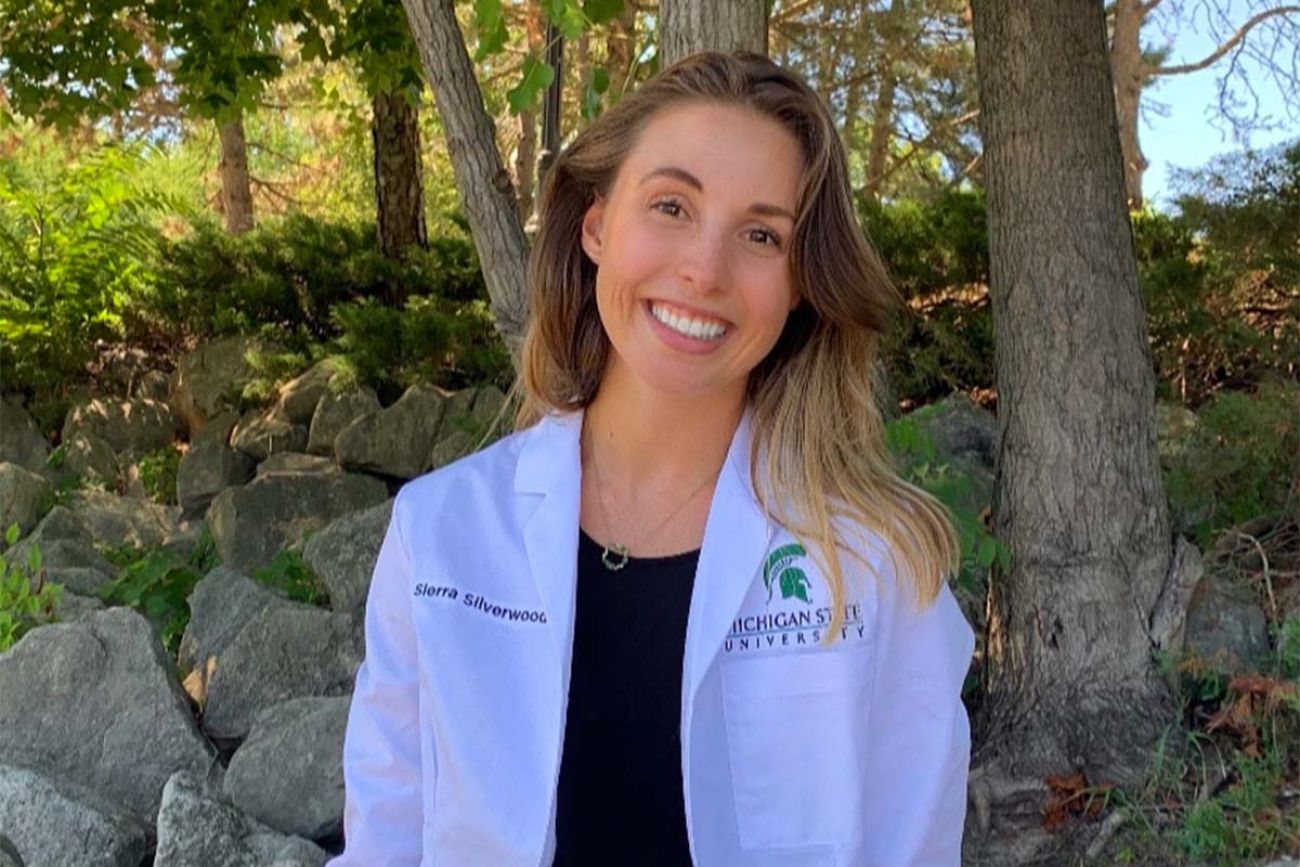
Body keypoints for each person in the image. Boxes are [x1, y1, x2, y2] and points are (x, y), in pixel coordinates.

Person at [326, 50, 976, 867]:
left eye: (761, 234)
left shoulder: (879, 567)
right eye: (671, 205)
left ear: (802, 282)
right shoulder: (441, 532)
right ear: (597, 224)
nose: (705, 270)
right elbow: (382, 847)